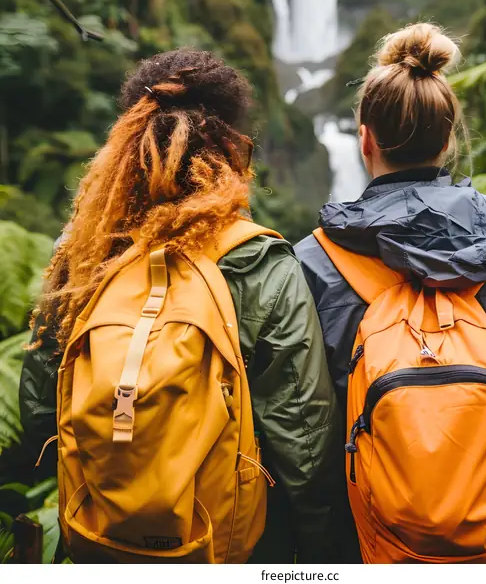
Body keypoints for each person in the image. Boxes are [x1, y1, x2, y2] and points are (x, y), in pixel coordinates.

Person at [20, 48, 342, 563]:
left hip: (100, 539)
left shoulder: (83, 255)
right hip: (228, 544)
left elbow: (40, 415)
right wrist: (321, 552)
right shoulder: (261, 262)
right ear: (232, 150)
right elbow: (302, 439)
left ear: (128, 144)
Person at [296, 23, 486, 564]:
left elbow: (301, 445)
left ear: (365, 139)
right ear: (450, 139)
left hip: (363, 551)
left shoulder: (314, 264)